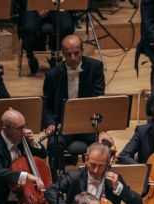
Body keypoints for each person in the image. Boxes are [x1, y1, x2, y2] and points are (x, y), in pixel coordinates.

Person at [45, 142, 142, 204]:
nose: (96, 170)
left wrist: (120, 188)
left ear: (107, 164)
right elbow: (51, 191)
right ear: (86, 160)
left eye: (101, 166)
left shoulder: (114, 180)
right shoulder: (74, 177)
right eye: (92, 165)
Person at [42, 35, 106, 166]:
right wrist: (50, 124)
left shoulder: (95, 68)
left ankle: (100, 182)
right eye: (68, 54)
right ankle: (58, 182)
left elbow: (99, 101)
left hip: (89, 124)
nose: (72, 58)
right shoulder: (53, 75)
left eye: (76, 53)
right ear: (62, 53)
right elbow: (47, 106)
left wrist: (102, 129)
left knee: (104, 144)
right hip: (63, 125)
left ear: (82, 51)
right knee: (54, 143)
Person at [16, 0, 75, 74]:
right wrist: (38, 6)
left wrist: (49, 5)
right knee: (28, 28)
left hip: (56, 5)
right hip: (33, 6)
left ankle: (55, 55)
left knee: (67, 27)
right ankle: (31, 56)